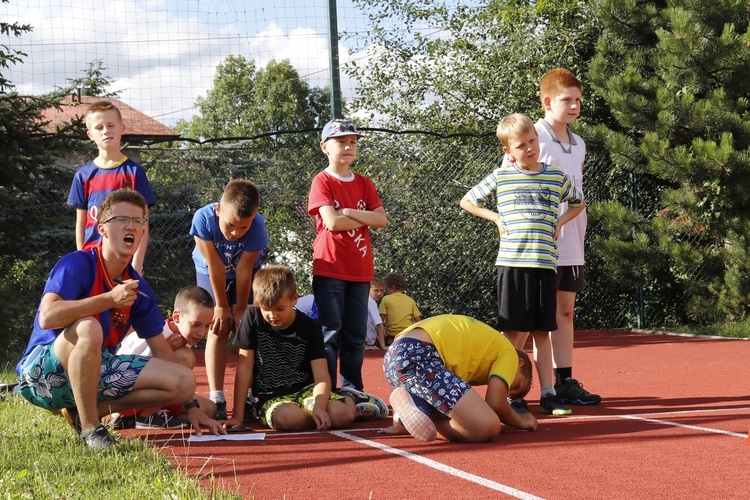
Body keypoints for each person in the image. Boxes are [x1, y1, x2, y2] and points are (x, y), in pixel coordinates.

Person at [15, 189, 224, 449]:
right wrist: (109, 300)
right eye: (122, 219)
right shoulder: (77, 264)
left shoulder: (139, 288)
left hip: (96, 370)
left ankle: (87, 412)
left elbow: (162, 351)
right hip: (40, 374)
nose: (132, 226)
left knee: (183, 377)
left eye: (139, 221)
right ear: (102, 229)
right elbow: (47, 317)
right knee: (89, 326)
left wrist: (191, 405)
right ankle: (92, 430)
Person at [459, 113, 585, 416]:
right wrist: (496, 218)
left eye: (532, 141)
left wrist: (559, 221)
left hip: (544, 266)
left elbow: (579, 202)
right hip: (512, 266)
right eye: (521, 145)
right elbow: (467, 201)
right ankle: (507, 395)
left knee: (543, 332)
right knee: (511, 334)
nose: (529, 148)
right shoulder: (501, 176)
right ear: (508, 151)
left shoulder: (556, 176)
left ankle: (547, 393)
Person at [224, 265, 388, 432]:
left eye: (280, 309)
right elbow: (244, 368)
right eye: (266, 309)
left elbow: (322, 376)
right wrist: (237, 416)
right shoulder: (252, 318)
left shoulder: (310, 328)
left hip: (309, 391)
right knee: (288, 419)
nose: (272, 316)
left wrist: (319, 406)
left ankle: (350, 399)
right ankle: (329, 413)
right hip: (273, 397)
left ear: (294, 299)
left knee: (341, 416)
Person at [534, 68, 601, 406]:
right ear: (547, 102)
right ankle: (519, 387)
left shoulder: (579, 143)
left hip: (572, 238)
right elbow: (510, 178)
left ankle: (565, 382)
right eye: (566, 100)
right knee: (533, 318)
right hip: (538, 242)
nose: (574, 106)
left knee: (565, 312)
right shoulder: (532, 136)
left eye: (578, 100)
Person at [307, 119, 387, 391]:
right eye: (341, 141)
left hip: (360, 270)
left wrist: (350, 212)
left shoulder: (365, 183)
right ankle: (326, 391)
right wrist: (364, 218)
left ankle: (352, 390)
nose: (348, 146)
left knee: (355, 336)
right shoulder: (322, 181)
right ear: (324, 147)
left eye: (353, 142)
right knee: (330, 333)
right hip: (329, 268)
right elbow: (332, 223)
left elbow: (381, 219)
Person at [381, 315, 538, 443]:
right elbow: (496, 403)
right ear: (520, 363)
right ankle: (420, 421)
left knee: (456, 413)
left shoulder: (481, 352)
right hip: (421, 354)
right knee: (486, 426)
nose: (507, 390)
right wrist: (521, 421)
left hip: (395, 357)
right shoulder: (510, 353)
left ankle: (414, 414)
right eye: (516, 385)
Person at [190, 179, 268, 420]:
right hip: (210, 271)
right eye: (230, 225)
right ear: (218, 210)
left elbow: (245, 270)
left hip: (245, 273)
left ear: (253, 217)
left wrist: (242, 308)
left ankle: (246, 396)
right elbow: (215, 265)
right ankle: (217, 396)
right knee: (218, 327)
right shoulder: (203, 219)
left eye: (243, 228)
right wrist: (222, 307)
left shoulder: (258, 226)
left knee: (246, 330)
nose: (235, 233)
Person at [67, 100, 155, 275]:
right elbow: (81, 223)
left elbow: (143, 223)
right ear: (90, 134)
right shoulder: (83, 175)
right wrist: (81, 259)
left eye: (111, 125)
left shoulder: (134, 173)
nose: (106, 131)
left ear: (122, 129)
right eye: (99, 127)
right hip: (92, 261)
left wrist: (136, 267)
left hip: (125, 261)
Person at [116, 285, 218, 428]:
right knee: (185, 357)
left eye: (207, 326)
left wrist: (191, 406)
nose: (201, 332)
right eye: (196, 324)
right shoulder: (157, 333)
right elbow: (132, 371)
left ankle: (139, 418)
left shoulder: (181, 336)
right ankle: (145, 417)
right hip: (124, 395)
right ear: (176, 317)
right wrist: (165, 351)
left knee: (209, 409)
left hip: (151, 392)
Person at [379, 272, 421, 345]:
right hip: (407, 336)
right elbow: (418, 321)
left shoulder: (386, 299)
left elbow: (380, 321)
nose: (386, 292)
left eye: (387, 290)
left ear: (393, 288)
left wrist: (383, 332)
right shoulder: (410, 300)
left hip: (392, 338)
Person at [366, 277, 387, 350]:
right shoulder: (371, 302)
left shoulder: (366, 300)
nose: (379, 293)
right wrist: (383, 346)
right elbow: (380, 325)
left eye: (382, 290)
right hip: (367, 343)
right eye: (376, 290)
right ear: (368, 289)